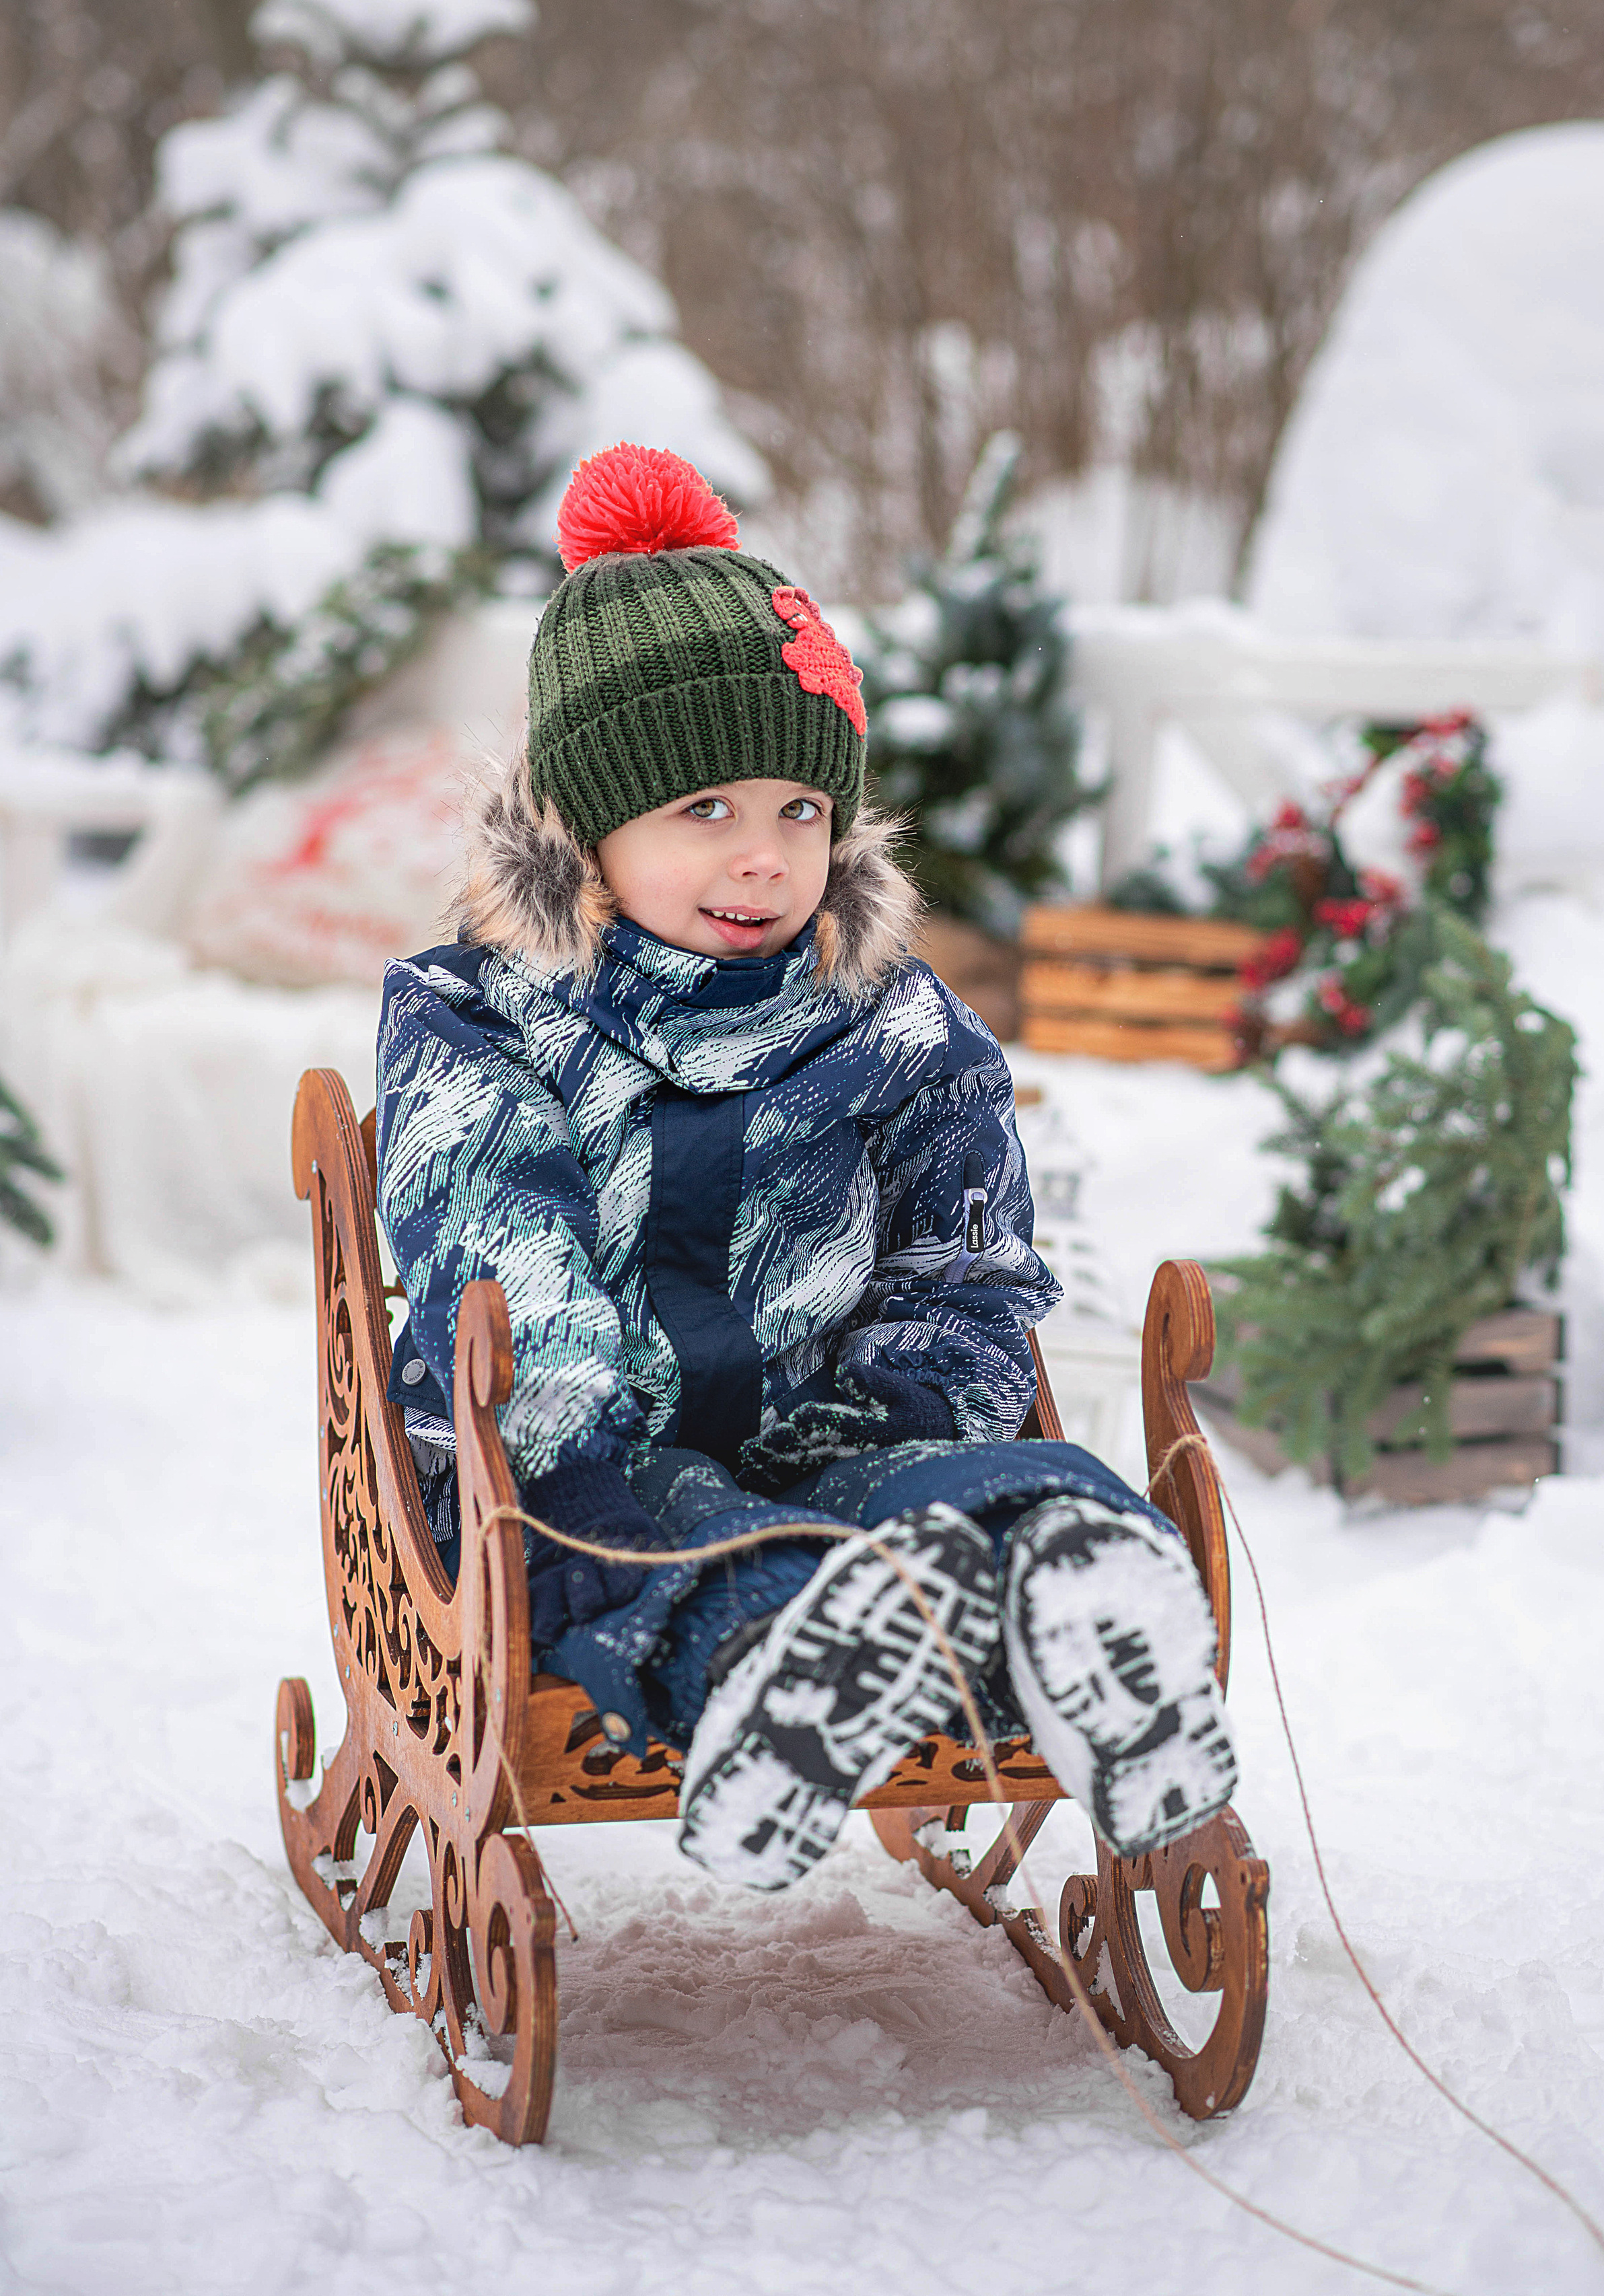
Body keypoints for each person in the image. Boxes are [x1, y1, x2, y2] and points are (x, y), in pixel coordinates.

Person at [375, 443, 1236, 1892]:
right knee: (667, 1530)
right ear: (588, 827)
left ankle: (1086, 1597)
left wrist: (887, 1425)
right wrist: (571, 1420)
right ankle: (785, 1666)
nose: (763, 856)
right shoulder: (487, 1009)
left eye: (797, 808)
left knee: (985, 1479)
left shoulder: (890, 1021)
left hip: (821, 1425)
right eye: (701, 811)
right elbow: (494, 1223)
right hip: (575, 1451)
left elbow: (961, 1261)